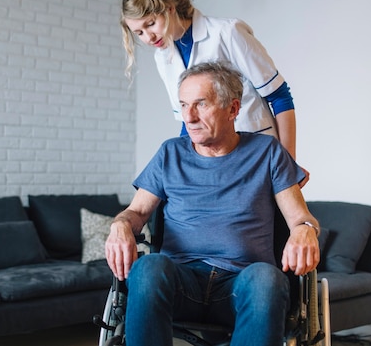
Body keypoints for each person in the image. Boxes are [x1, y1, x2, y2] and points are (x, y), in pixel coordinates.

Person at [105, 61, 320, 346]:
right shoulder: (170, 153)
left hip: (243, 286)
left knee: (267, 279)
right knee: (147, 268)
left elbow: (301, 218)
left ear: (233, 109)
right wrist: (120, 225)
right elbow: (137, 211)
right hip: (181, 283)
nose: (189, 117)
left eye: (201, 104)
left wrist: (304, 229)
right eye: (183, 105)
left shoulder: (267, 152)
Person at [120, 0, 309, 186]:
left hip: (257, 154)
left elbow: (280, 96)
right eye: (139, 33)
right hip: (210, 163)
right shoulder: (163, 57)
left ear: (170, 9)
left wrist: (288, 163)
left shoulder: (227, 32)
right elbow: (188, 122)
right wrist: (187, 168)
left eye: (151, 24)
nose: (148, 37)